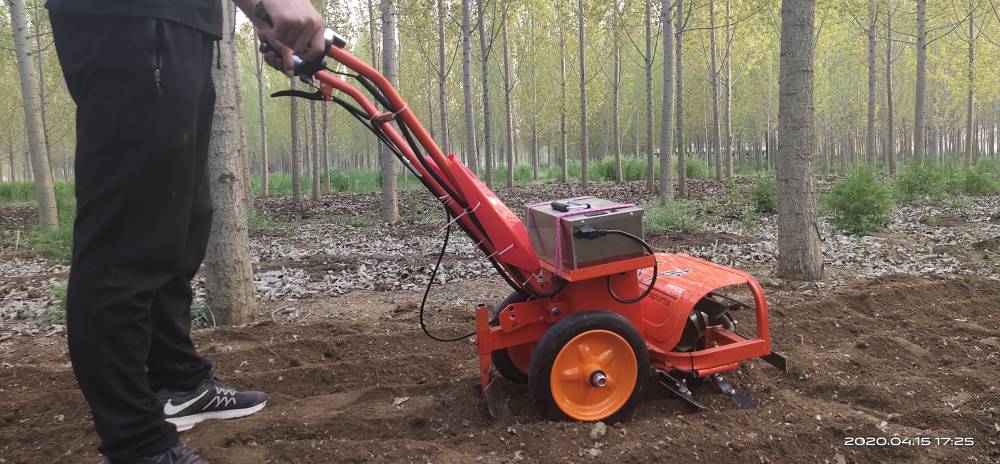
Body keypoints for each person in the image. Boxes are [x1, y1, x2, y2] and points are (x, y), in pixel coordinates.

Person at [44, 0, 324, 462]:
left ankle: (177, 381)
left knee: (180, 226)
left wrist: (257, 14)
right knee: (127, 240)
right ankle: (137, 445)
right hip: (132, 21)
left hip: (177, 24)